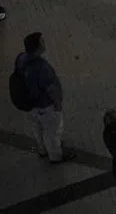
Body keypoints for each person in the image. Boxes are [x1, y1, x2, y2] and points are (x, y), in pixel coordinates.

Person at [15, 32, 75, 162]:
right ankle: (55, 156)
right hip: (45, 106)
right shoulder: (42, 68)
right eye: (42, 41)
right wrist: (58, 104)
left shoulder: (21, 59)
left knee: (37, 128)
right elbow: (51, 89)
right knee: (52, 132)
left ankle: (42, 149)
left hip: (29, 105)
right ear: (38, 47)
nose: (44, 43)